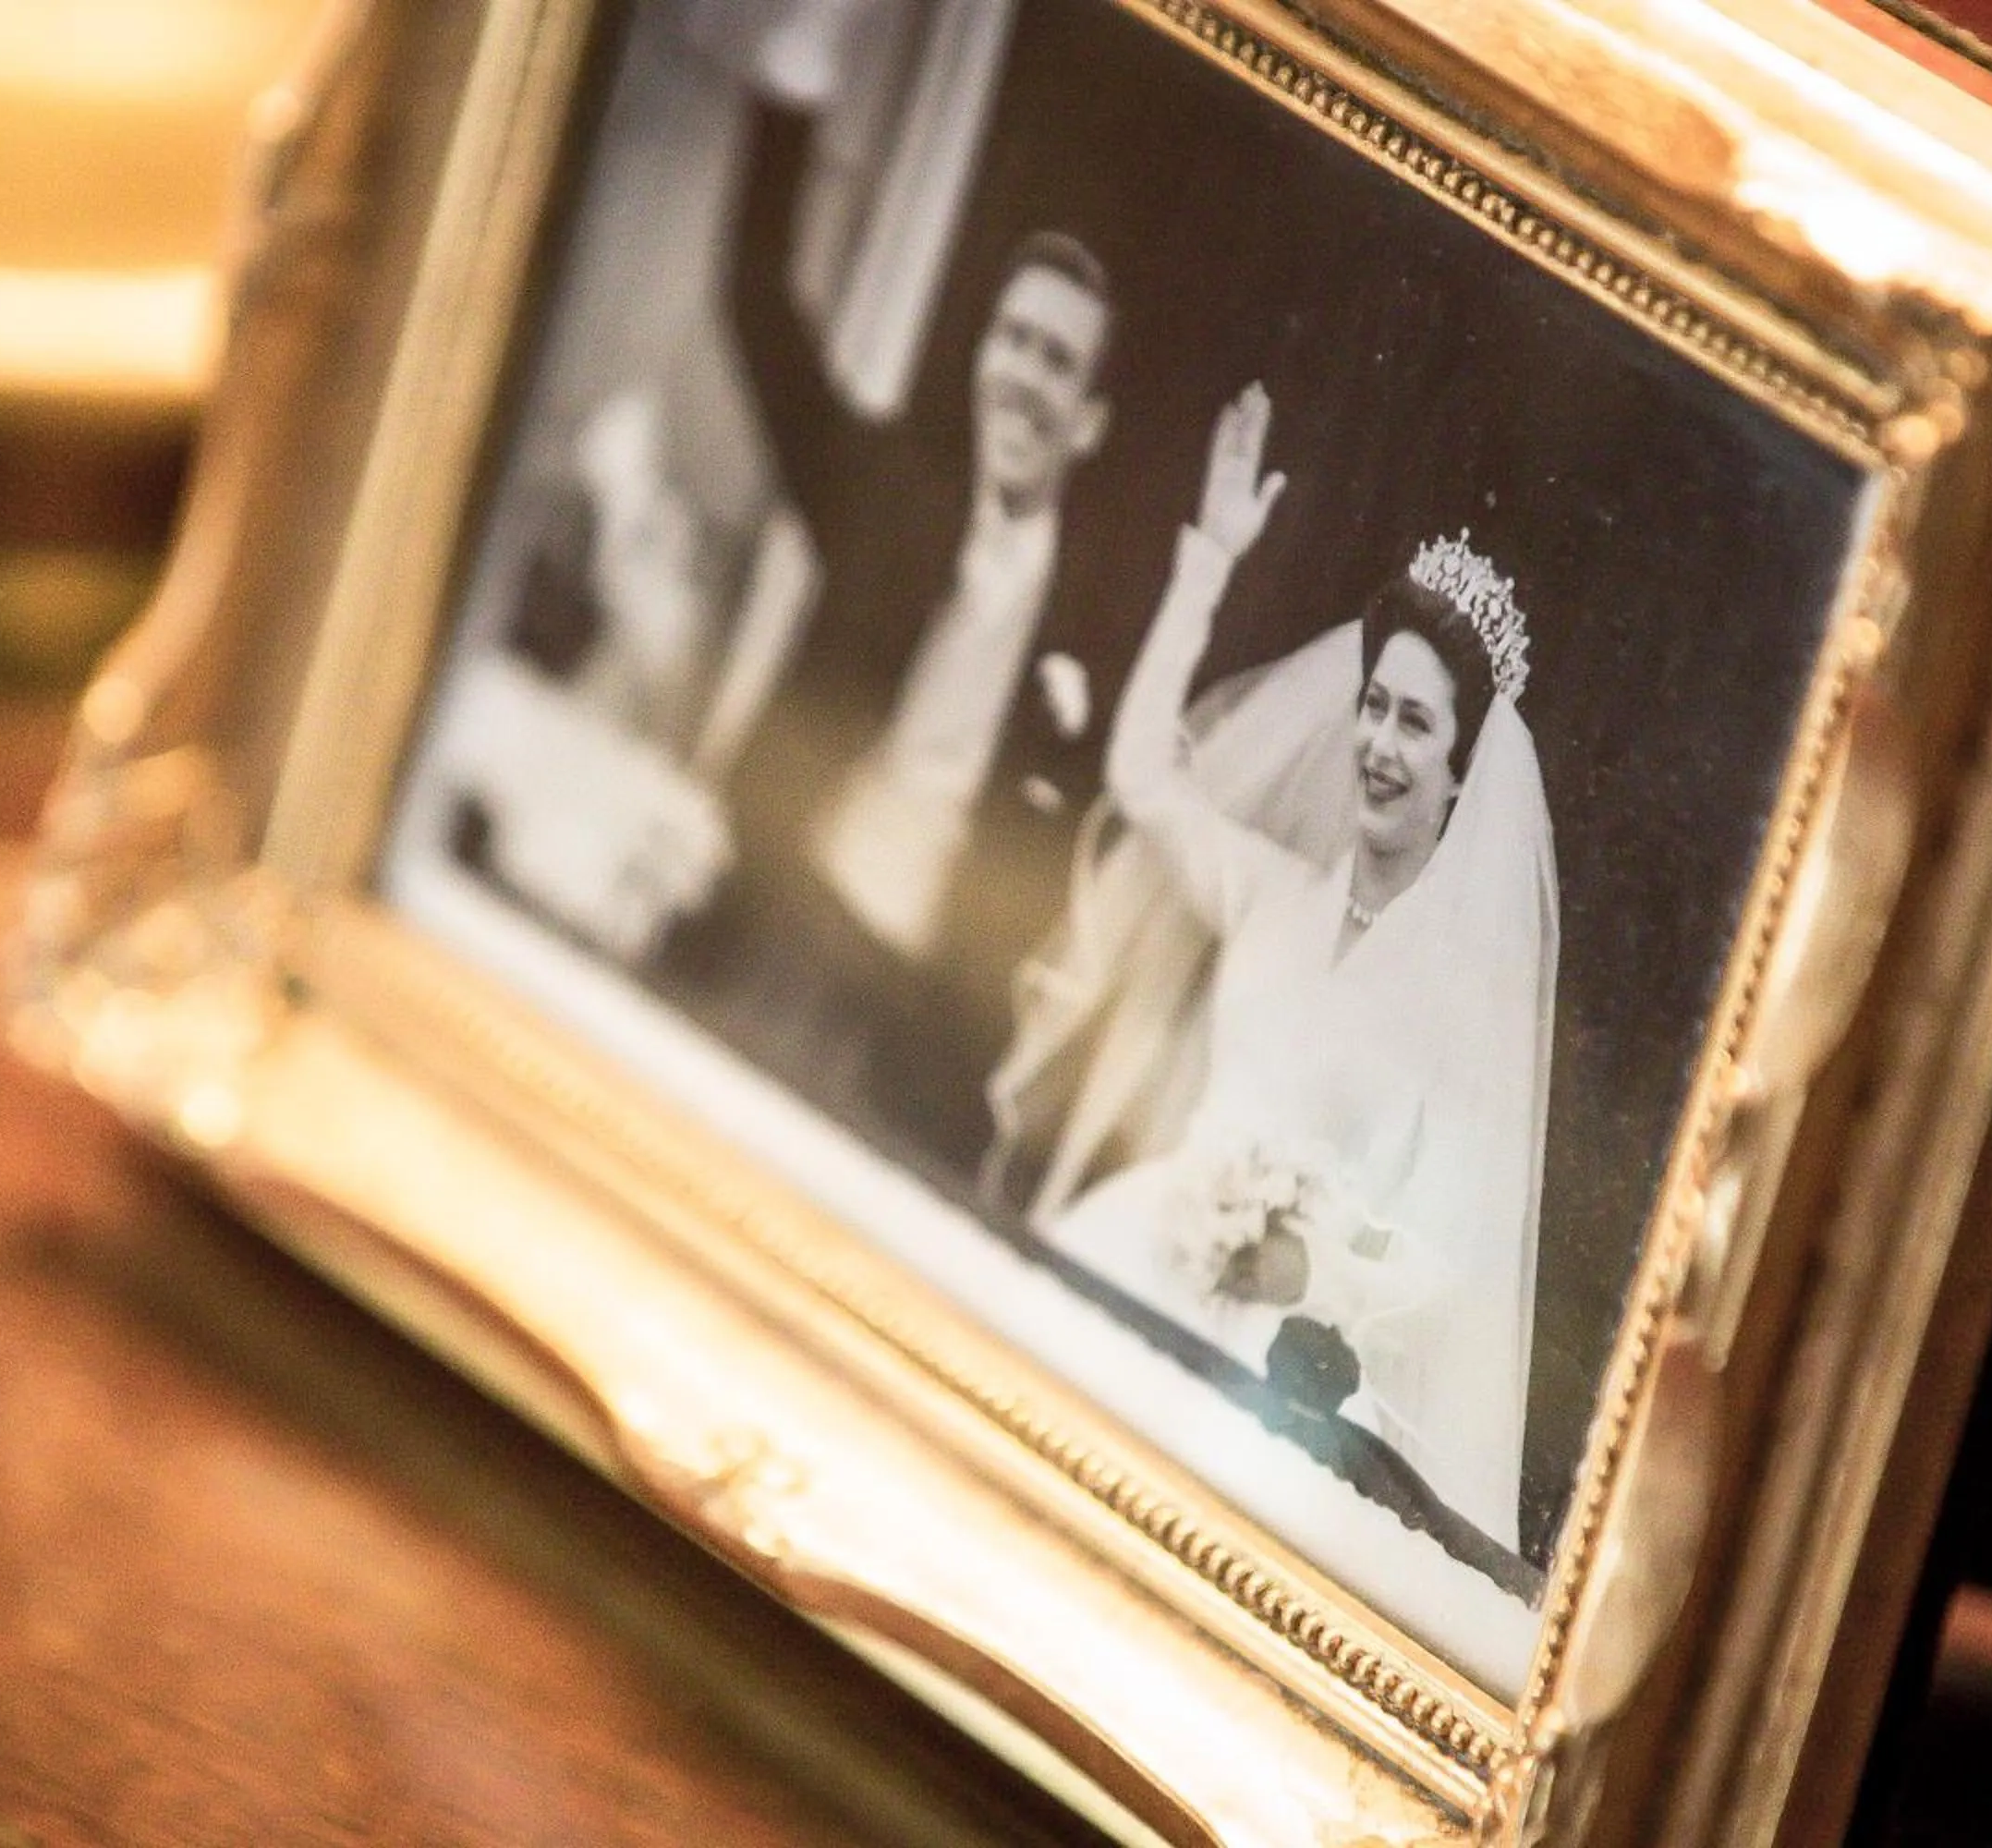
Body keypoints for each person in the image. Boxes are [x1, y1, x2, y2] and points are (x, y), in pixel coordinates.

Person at [1032, 383, 1559, 1550]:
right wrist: (1208, 563)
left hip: (1291, 1370)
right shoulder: (1271, 890)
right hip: (1147, 1250)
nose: (1377, 742)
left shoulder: (1461, 1001)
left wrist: (1307, 1265)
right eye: (1374, 706)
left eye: (1416, 723)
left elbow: (1449, 1254)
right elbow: (1140, 781)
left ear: (1463, 767)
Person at [641, 95, 1132, 1177]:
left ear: (1089, 417)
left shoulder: (1101, 633)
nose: (1023, 373)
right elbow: (756, 302)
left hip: (914, 1035)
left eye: (1058, 359)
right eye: (1013, 339)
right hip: (767, 929)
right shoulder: (882, 498)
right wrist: (796, 82)